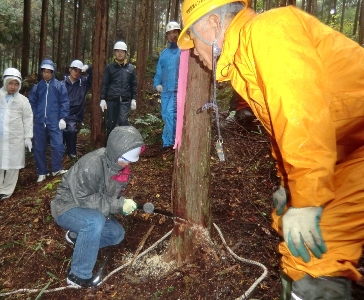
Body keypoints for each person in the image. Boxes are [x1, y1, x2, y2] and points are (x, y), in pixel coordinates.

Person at [178, 0, 364, 298]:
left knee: (315, 257)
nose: (193, 52)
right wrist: (288, 183)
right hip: (340, 150)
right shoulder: (246, 57)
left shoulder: (268, 31)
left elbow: (302, 114)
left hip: (352, 147)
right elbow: (284, 128)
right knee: (301, 247)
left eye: (192, 40)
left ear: (211, 25)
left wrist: (307, 198)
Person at [50, 126, 144, 287]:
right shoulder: (92, 164)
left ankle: (77, 238)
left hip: (89, 208)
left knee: (116, 234)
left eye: (130, 159)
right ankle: (77, 275)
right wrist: (118, 204)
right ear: (115, 152)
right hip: (67, 205)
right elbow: (83, 198)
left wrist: (122, 204)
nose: (127, 163)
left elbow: (110, 197)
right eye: (125, 158)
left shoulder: (120, 169)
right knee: (94, 222)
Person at [0, 68, 33, 203]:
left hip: (15, 139)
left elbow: (28, 118)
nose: (13, 87)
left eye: (16, 84)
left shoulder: (23, 100)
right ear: (5, 82)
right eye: (11, 83)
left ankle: (6, 191)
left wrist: (28, 137)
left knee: (13, 166)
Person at [29, 58, 69, 183]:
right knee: (39, 147)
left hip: (55, 120)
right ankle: (42, 171)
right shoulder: (37, 87)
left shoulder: (59, 86)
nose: (47, 74)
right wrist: (35, 115)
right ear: (41, 72)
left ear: (53, 72)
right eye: (44, 71)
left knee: (58, 145)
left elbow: (64, 102)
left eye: (49, 71)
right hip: (39, 121)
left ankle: (56, 168)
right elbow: (32, 103)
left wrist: (62, 117)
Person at [100, 41, 137, 139]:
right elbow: (105, 83)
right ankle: (109, 149)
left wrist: (134, 99)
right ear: (115, 53)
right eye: (117, 51)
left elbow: (133, 84)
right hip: (111, 99)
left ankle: (124, 149)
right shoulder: (109, 68)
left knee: (123, 122)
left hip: (125, 100)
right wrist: (103, 99)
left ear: (125, 53)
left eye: (122, 51)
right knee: (111, 125)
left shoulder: (131, 68)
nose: (120, 53)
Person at [153, 21, 181, 151]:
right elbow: (159, 71)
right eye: (169, 33)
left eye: (174, 32)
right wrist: (157, 83)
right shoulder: (163, 54)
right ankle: (166, 142)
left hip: (177, 90)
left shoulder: (183, 51)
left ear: (179, 33)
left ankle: (171, 142)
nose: (172, 36)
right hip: (165, 91)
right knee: (165, 115)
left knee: (170, 114)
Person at [62, 60, 92, 159]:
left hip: (75, 115)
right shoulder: (62, 83)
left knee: (71, 129)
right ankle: (63, 151)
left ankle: (72, 153)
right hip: (63, 113)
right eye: (75, 70)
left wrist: (88, 67)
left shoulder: (83, 82)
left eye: (79, 71)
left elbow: (93, 75)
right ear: (70, 69)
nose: (77, 73)